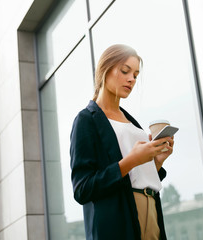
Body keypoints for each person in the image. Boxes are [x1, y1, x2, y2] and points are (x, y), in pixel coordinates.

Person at [70, 44, 174, 240]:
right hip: (118, 218)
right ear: (105, 69)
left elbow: (138, 175)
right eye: (125, 71)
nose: (131, 79)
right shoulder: (86, 120)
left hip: (151, 209)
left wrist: (157, 162)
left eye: (135, 75)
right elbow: (82, 189)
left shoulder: (132, 122)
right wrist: (132, 160)